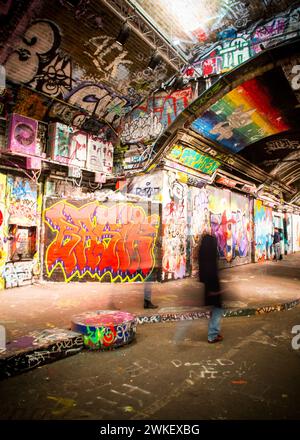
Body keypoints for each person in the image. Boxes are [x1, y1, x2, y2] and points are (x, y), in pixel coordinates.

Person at [198, 232, 224, 343]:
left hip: (209, 287)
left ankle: (213, 332)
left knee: (215, 310)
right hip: (213, 287)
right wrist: (216, 290)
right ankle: (212, 335)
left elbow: (202, 275)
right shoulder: (211, 259)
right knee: (218, 309)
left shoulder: (203, 255)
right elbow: (213, 273)